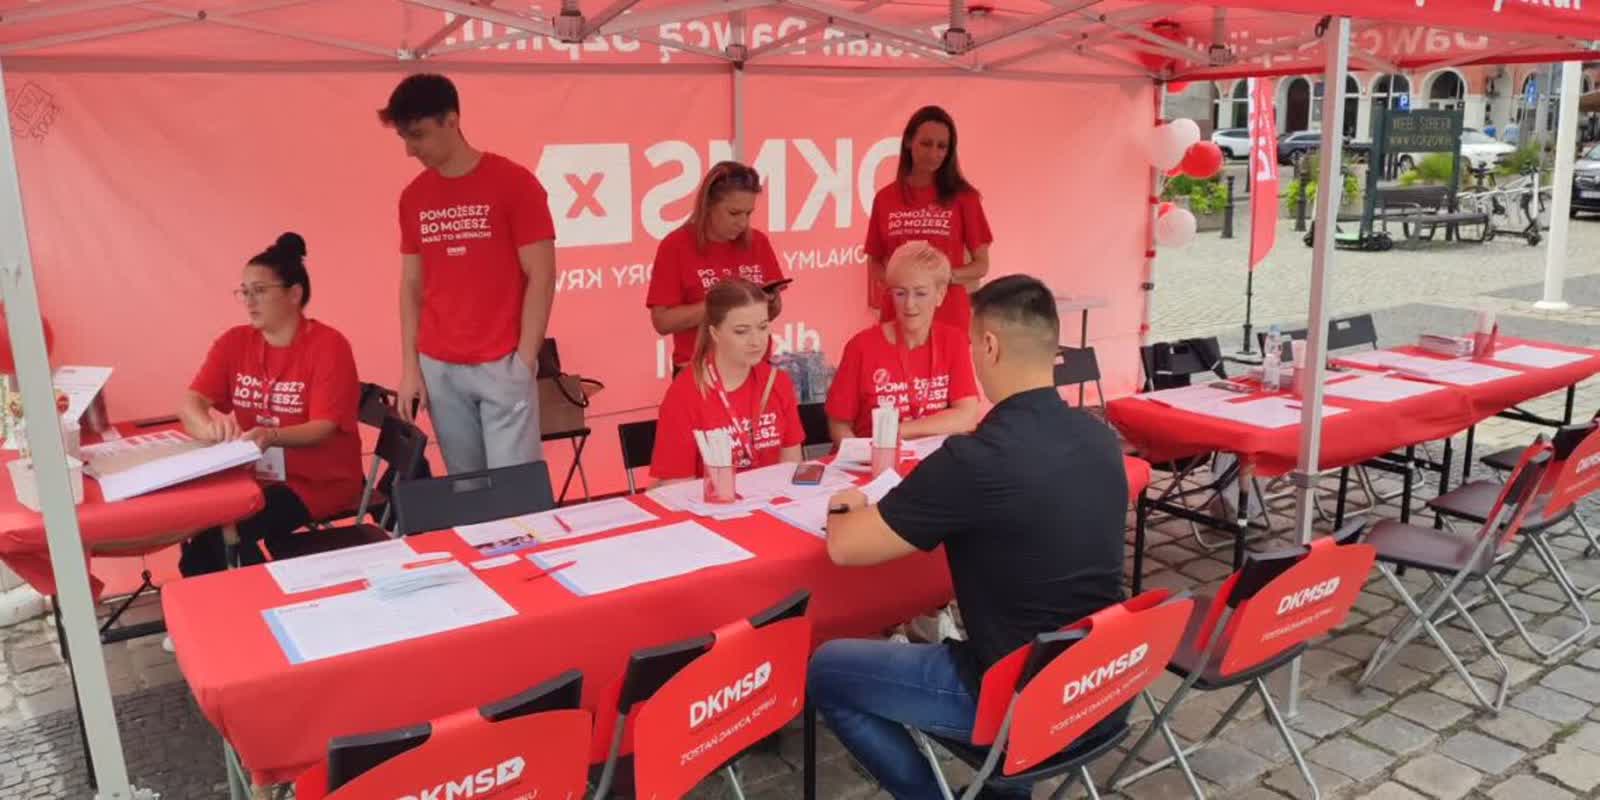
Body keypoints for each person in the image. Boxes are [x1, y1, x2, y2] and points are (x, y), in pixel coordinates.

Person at [808, 275, 1128, 800]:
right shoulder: (1099, 436)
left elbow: (845, 547)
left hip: (1016, 698)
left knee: (827, 668)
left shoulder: (977, 458)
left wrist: (847, 502)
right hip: (1101, 683)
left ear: (989, 346)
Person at [382, 73, 556, 474]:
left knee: (514, 491)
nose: (410, 149)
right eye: (404, 138)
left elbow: (542, 275)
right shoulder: (414, 196)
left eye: (418, 135)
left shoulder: (514, 183)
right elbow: (411, 285)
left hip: (502, 360)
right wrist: (411, 367)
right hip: (439, 365)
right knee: (467, 487)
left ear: (452, 120)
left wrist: (524, 360)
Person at [178, 233, 363, 579]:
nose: (250, 301)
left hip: (317, 482)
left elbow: (323, 427)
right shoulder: (234, 342)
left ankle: (256, 598)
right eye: (244, 292)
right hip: (251, 476)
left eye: (260, 291)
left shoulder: (329, 346)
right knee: (199, 527)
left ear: (294, 294)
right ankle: (230, 600)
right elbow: (192, 401)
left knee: (220, 534)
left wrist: (270, 435)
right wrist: (208, 427)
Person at [651, 278, 804, 482]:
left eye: (762, 327)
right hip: (710, 500)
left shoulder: (777, 381)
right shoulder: (685, 394)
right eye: (741, 331)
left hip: (774, 498)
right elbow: (676, 486)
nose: (756, 341)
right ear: (715, 333)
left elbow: (793, 468)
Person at [825, 240, 980, 442]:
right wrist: (863, 454)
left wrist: (898, 430)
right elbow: (839, 424)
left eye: (921, 293)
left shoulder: (953, 341)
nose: (909, 304)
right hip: (873, 456)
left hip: (932, 458)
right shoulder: (861, 346)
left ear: (940, 295)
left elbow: (967, 416)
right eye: (900, 293)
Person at [646, 161, 788, 374]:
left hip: (754, 368)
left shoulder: (758, 242)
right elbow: (663, 322)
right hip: (700, 370)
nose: (742, 223)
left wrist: (770, 301)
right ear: (709, 206)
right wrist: (722, 305)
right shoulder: (676, 246)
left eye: (748, 214)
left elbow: (774, 311)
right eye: (734, 213)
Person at [865, 105, 993, 332]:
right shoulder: (885, 198)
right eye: (926, 143)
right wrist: (900, 284)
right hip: (897, 318)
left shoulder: (965, 198)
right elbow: (874, 262)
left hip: (949, 320)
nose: (934, 153)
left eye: (942, 146)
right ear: (908, 142)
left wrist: (942, 277)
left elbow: (981, 265)